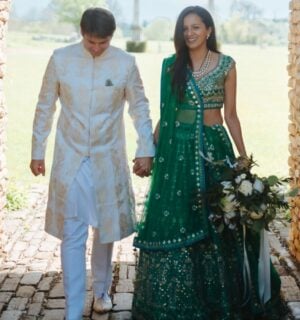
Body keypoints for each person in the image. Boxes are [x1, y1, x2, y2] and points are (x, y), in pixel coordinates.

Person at [132, 6, 286, 320]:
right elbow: (167, 113)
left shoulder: (226, 65)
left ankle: (224, 299)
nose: (190, 33)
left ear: (209, 30)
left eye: (196, 27)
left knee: (222, 219)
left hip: (213, 149)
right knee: (181, 218)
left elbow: (231, 115)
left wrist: (243, 158)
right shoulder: (171, 66)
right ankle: (182, 301)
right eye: (185, 28)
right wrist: (148, 149)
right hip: (177, 152)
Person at [30, 7, 155, 320]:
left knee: (104, 229)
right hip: (71, 158)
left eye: (103, 42)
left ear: (111, 38)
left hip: (107, 159)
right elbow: (45, 105)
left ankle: (101, 291)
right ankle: (72, 310)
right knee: (73, 233)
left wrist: (146, 148)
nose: (97, 48)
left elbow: (139, 107)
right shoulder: (60, 58)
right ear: (81, 34)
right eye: (90, 41)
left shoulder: (126, 63)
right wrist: (37, 149)